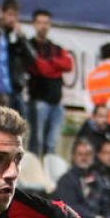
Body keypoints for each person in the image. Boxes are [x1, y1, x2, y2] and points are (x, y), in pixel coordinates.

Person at [27, 9, 74, 157]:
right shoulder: (29, 46)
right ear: (34, 24)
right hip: (38, 102)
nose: (43, 26)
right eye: (40, 22)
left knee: (52, 144)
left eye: (46, 23)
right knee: (37, 142)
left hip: (57, 103)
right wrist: (55, 67)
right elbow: (40, 69)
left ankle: (48, 176)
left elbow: (68, 64)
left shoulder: (56, 48)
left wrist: (51, 62)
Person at [0, 0, 33, 115]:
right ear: (2, 14)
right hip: (2, 89)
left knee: (19, 130)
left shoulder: (19, 37)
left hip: (17, 88)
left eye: (15, 15)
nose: (12, 19)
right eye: (9, 15)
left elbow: (31, 58)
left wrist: (21, 37)